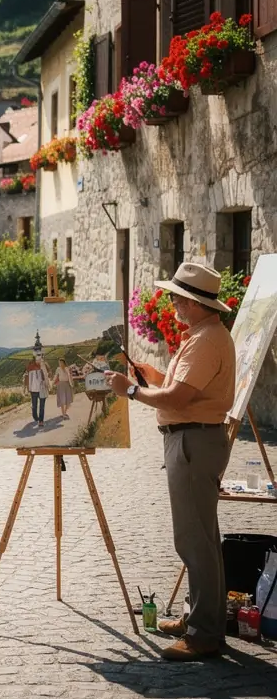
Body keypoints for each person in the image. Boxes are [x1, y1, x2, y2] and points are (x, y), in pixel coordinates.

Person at [105, 261, 236, 662]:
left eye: (178, 297)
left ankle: (203, 635)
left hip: (193, 441)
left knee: (194, 540)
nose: (174, 303)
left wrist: (130, 392)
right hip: (194, 438)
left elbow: (179, 401)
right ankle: (202, 619)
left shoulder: (205, 339)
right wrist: (155, 376)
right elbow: (186, 390)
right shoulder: (205, 335)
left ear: (195, 303)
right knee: (203, 538)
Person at [22, 357, 49, 427]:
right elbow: (26, 377)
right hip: (33, 389)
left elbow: (48, 374)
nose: (39, 361)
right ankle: (35, 416)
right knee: (34, 406)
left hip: (42, 388)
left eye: (40, 359)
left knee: (42, 406)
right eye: (37, 359)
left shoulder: (44, 365)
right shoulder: (30, 367)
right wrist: (26, 388)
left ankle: (41, 421)